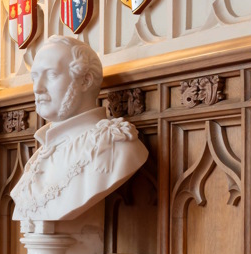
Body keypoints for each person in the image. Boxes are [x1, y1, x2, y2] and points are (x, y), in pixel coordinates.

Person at [10, 35, 148, 229]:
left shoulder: (117, 145)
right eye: (34, 77)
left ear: (85, 81)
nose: (37, 88)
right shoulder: (42, 153)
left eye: (50, 75)